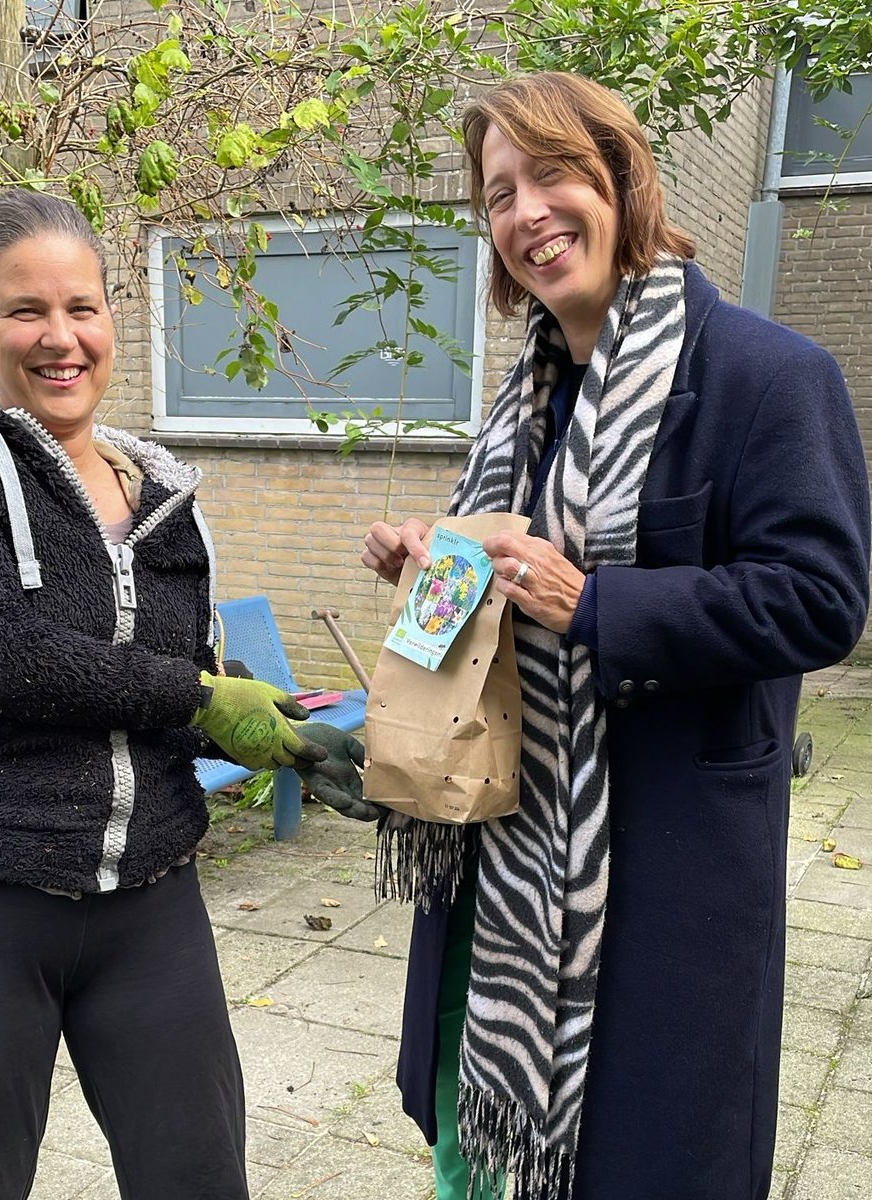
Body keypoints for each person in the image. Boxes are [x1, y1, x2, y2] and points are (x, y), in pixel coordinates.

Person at [361, 72, 871, 1200]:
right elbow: (496, 592)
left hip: (665, 866)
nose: (527, 213)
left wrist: (593, 602)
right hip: (498, 852)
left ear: (621, 180)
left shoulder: (766, 378)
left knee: (641, 1157)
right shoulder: (520, 405)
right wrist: (432, 565)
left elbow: (821, 600)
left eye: (552, 175)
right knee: (478, 1126)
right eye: (499, 193)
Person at [0, 189, 363, 1199]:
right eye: (25, 311)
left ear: (113, 320)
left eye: (83, 308)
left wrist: (266, 721)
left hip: (150, 897)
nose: (60, 338)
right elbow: (8, 655)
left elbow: (171, 671)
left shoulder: (164, 499)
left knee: (197, 1178)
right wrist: (200, 698)